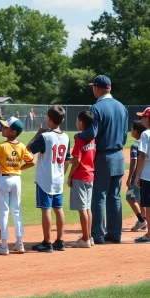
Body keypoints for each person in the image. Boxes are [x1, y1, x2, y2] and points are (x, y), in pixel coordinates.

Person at [77, 75, 128, 244]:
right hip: (119, 155)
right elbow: (125, 136)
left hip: (103, 156)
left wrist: (77, 136)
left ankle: (97, 234)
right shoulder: (122, 107)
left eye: (93, 87)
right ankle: (115, 233)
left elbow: (92, 133)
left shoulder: (97, 107)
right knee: (114, 196)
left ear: (97, 89)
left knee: (99, 195)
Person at [0, 117, 35, 255]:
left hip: (4, 179)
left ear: (13, 132)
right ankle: (19, 243)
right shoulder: (22, 146)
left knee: (4, 212)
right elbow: (31, 162)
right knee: (17, 211)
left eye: (6, 127)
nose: (3, 128)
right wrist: (18, 169)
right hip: (16, 179)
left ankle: (3, 245)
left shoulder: (1, 146)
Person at [27, 106, 70, 252]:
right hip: (58, 178)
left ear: (48, 119)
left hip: (45, 179)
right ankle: (60, 240)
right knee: (58, 209)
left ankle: (47, 242)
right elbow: (67, 159)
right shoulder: (66, 137)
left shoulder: (45, 136)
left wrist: (37, 134)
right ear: (62, 120)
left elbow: (28, 149)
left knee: (46, 209)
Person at [67, 111, 96, 248]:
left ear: (82, 123)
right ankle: (88, 237)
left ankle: (85, 238)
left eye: (77, 120)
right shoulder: (92, 138)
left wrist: (70, 174)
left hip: (80, 176)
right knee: (88, 208)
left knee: (82, 209)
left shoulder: (81, 139)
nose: (76, 122)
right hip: (90, 175)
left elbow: (77, 159)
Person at [126, 121, 147, 232]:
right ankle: (145, 220)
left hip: (136, 176)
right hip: (145, 175)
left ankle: (141, 220)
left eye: (132, 129)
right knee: (141, 199)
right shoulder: (145, 142)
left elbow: (134, 161)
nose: (131, 131)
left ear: (136, 131)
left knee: (130, 198)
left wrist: (130, 177)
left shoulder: (135, 145)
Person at [134, 108, 150, 242]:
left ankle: (149, 234)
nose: (141, 119)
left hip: (148, 175)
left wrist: (138, 174)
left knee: (149, 205)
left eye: (144, 117)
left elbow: (143, 155)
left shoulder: (146, 134)